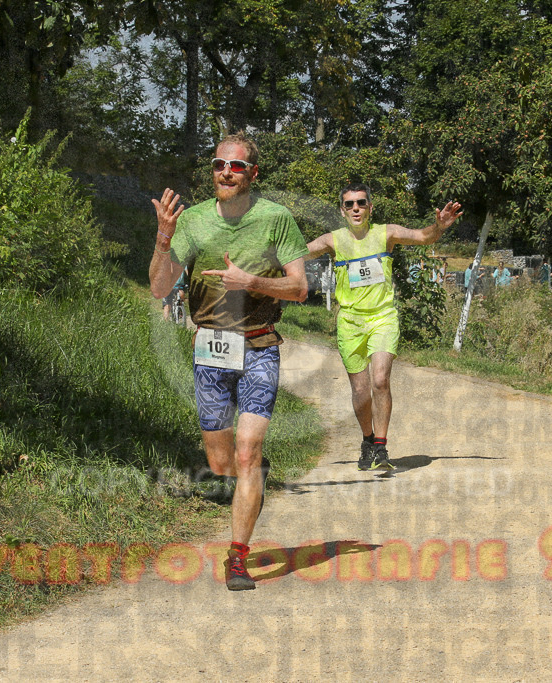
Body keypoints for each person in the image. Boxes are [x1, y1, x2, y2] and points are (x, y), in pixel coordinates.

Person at [149, 132, 308, 591]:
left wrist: (251, 281)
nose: (226, 172)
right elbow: (160, 288)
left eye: (236, 166)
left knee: (246, 452)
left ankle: (237, 558)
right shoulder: (193, 221)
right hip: (211, 351)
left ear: (253, 174)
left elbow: (299, 289)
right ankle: (251, 474)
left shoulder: (276, 219)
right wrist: (164, 238)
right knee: (221, 465)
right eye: (219, 164)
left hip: (259, 346)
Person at [305, 183, 462, 470]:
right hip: (350, 321)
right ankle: (367, 439)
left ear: (370, 207)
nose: (356, 209)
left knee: (380, 380)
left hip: (382, 317)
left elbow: (423, 237)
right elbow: (296, 255)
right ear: (342, 210)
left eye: (361, 203)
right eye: (350, 204)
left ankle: (381, 446)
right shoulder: (333, 240)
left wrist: (439, 227)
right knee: (361, 390)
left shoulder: (385, 233)